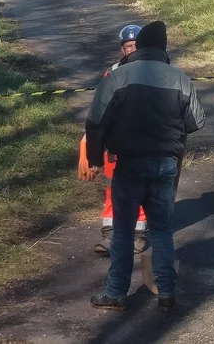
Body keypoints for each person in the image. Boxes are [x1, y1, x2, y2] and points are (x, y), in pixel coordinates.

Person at [84, 21, 205, 313]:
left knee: (124, 231)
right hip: (165, 164)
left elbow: (96, 120)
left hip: (129, 163)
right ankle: (167, 292)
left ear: (139, 47)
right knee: (162, 231)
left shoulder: (119, 76)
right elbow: (197, 121)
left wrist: (96, 157)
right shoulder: (180, 79)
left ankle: (115, 294)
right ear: (163, 48)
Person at [77, 24, 149, 256]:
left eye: (136, 45)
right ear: (122, 48)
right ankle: (110, 232)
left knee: (139, 187)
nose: (132, 49)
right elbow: (99, 108)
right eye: (128, 46)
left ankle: (138, 235)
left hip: (142, 140)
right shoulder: (112, 73)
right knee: (113, 186)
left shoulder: (153, 71)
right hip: (115, 142)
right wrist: (89, 138)